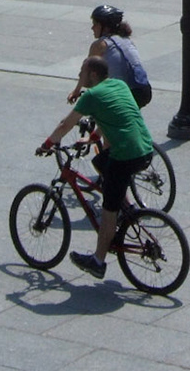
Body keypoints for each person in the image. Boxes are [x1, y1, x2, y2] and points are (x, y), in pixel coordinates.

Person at [39, 55, 155, 279]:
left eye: (81, 73)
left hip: (126, 155)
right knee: (100, 162)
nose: (79, 77)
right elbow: (114, 115)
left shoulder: (91, 95)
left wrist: (47, 145)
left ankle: (98, 261)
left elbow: (65, 124)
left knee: (108, 210)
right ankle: (127, 206)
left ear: (92, 74)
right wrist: (93, 138)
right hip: (145, 149)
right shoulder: (118, 85)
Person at [70, 5, 151, 108]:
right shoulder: (126, 40)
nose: (92, 28)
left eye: (95, 24)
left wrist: (76, 91)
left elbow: (86, 71)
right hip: (143, 90)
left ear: (105, 27)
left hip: (125, 93)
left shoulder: (100, 44)